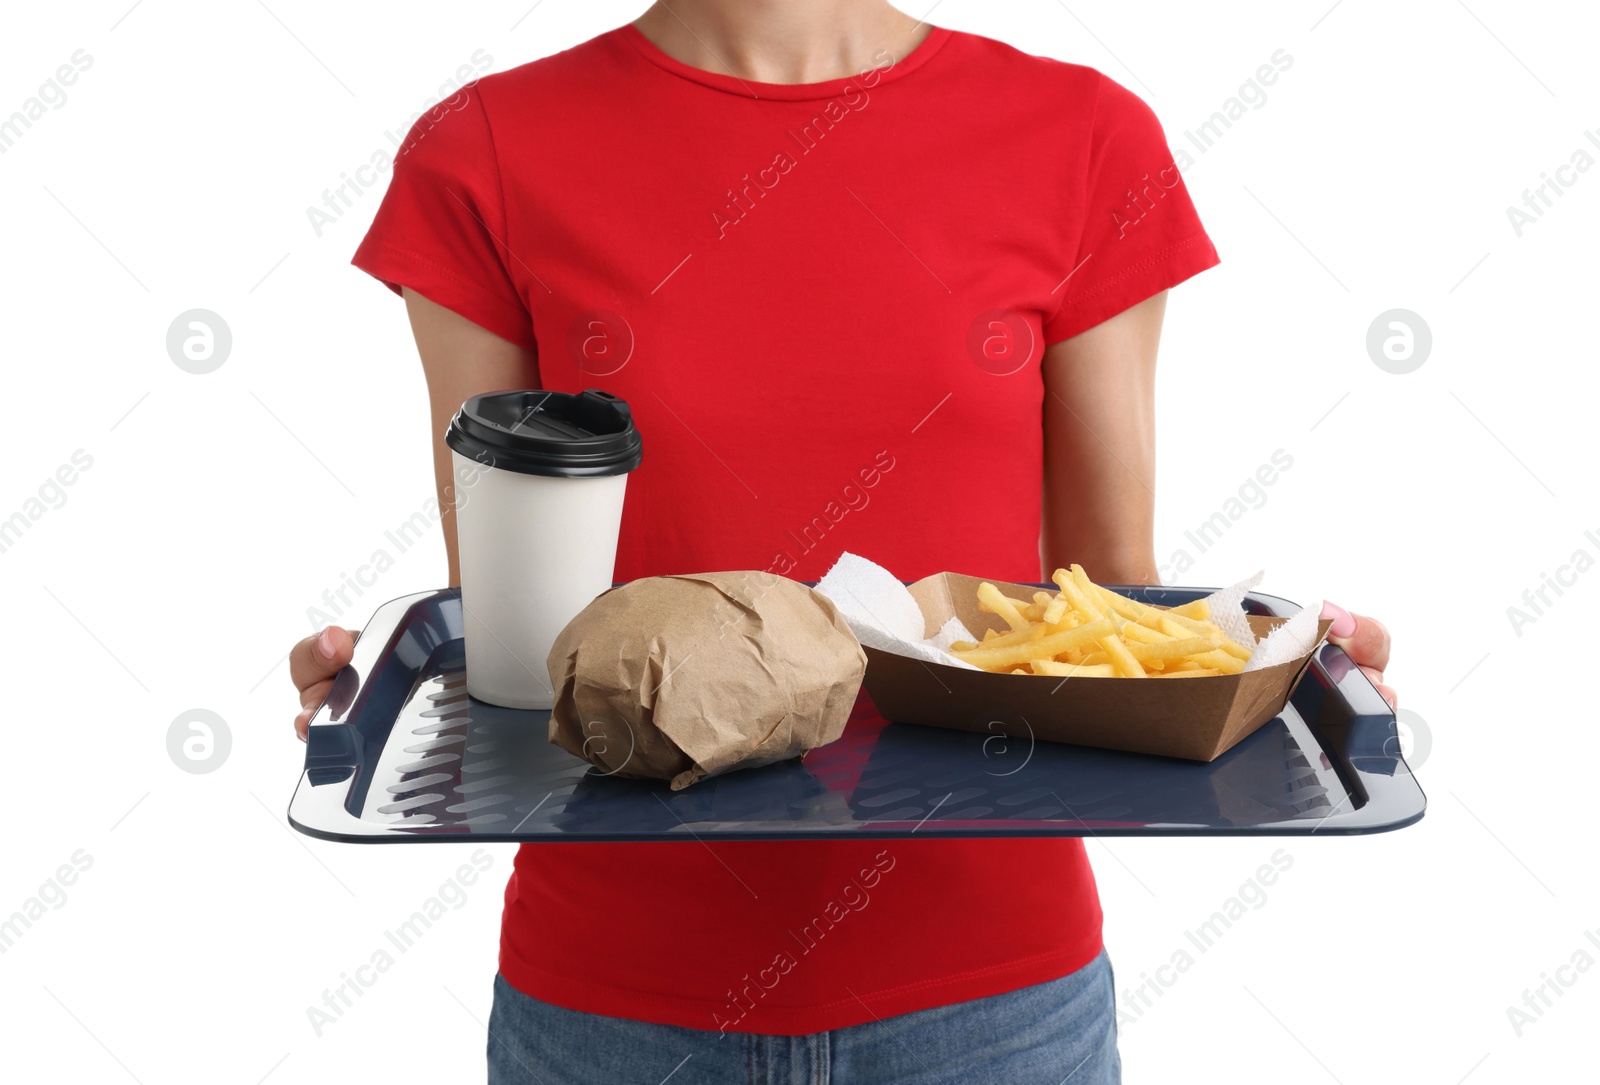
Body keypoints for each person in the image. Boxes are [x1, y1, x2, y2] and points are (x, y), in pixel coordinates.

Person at [288, 2, 1396, 1081]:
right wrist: (387, 684)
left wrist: (1284, 672)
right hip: (613, 1003)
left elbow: (1109, 601)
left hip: (994, 1005)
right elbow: (514, 610)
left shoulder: (1084, 135)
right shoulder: (482, 151)